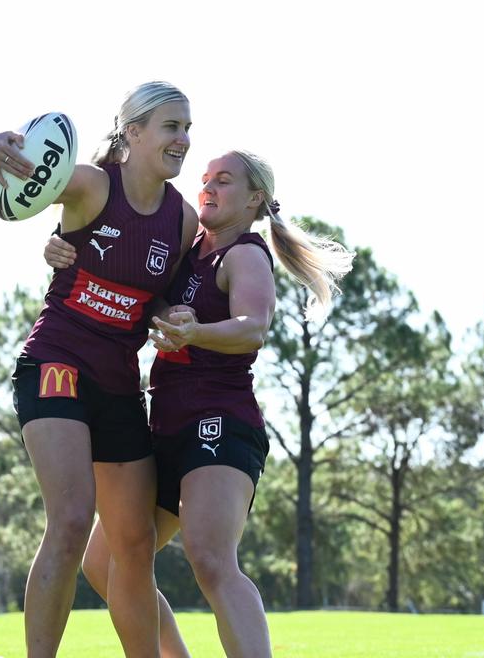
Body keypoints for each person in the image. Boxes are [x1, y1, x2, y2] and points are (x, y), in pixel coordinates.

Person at [44, 150, 354, 657]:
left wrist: (195, 331)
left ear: (256, 198)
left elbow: (252, 328)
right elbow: (121, 258)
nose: (207, 187)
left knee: (211, 558)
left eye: (224, 181)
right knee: (104, 562)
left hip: (219, 422)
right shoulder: (186, 247)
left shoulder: (246, 255)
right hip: (163, 425)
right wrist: (60, 245)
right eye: (205, 179)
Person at [0, 81, 199, 658]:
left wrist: (172, 314)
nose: (183, 139)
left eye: (188, 129)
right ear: (134, 132)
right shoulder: (94, 185)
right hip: (56, 362)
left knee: (134, 541)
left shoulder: (181, 220)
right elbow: (17, 174)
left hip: (120, 384)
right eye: (172, 127)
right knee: (72, 521)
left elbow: (155, 301)